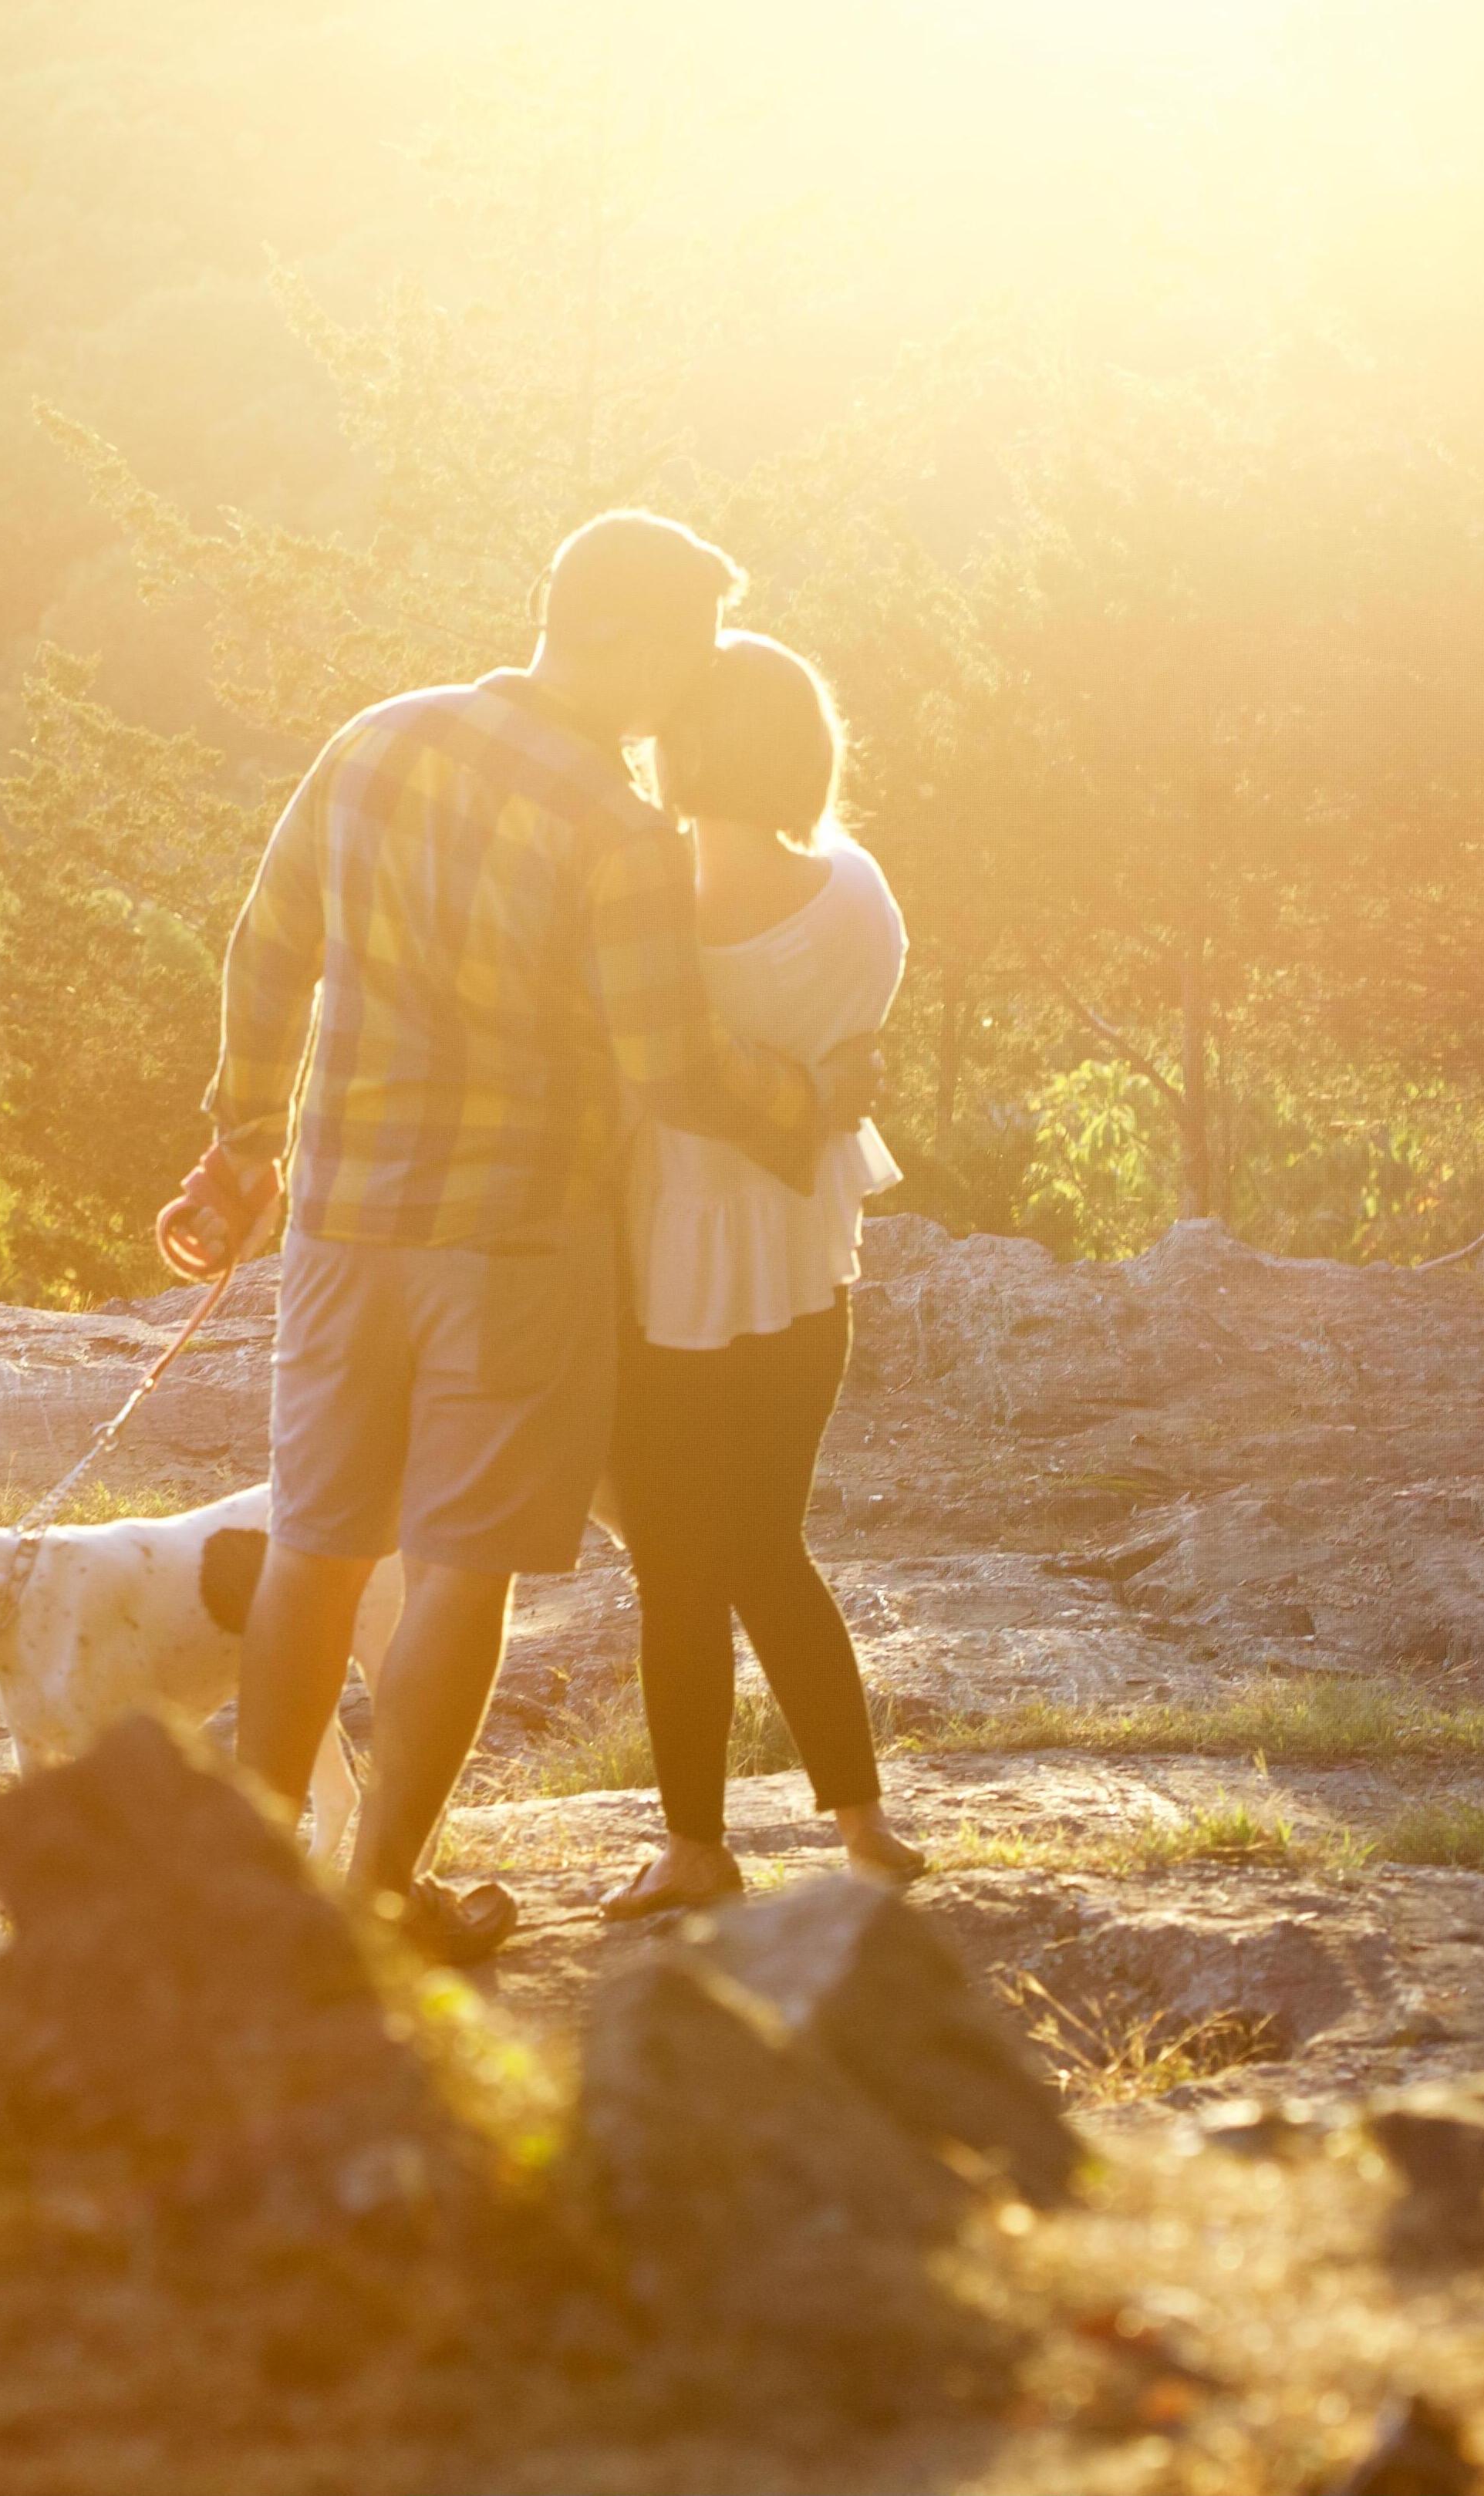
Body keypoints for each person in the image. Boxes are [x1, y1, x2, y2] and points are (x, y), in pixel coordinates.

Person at [159, 512, 879, 1965]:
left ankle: (247, 1880)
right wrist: (801, 1101)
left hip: (347, 1221)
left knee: (315, 1545)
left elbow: (264, 944)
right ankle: (373, 1898)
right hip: (515, 1245)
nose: (688, 691)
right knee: (457, 1567)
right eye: (681, 652)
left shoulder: (371, 740)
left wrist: (241, 1140)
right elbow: (672, 1067)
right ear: (615, 632)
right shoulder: (612, 834)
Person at [599, 631, 924, 1917]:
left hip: (659, 1263)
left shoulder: (646, 907)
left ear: (679, 749)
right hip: (800, 1253)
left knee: (675, 1564)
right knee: (769, 1544)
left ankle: (695, 1846)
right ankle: (859, 1820)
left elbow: (622, 1072)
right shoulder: (859, 894)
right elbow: (849, 1060)